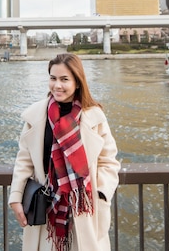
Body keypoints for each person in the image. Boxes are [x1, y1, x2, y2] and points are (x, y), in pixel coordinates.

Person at [9, 53, 121, 250]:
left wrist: (101, 194)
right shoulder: (35, 116)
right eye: (53, 78)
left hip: (84, 208)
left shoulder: (94, 117)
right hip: (45, 207)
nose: (57, 85)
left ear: (77, 82)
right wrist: (16, 197)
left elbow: (108, 161)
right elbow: (24, 161)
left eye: (64, 79)